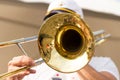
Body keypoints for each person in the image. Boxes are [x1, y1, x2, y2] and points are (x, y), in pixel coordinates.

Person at [6, 0, 120, 80]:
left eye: (67, 21)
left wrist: (74, 59)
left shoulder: (103, 63)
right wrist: (11, 79)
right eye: (53, 23)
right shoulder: (35, 69)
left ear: (83, 28)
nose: (58, 28)